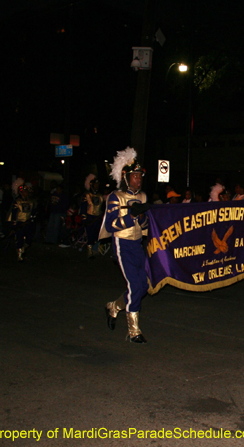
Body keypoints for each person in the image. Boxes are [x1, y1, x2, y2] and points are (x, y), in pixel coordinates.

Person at [103, 147, 150, 344]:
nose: (138, 180)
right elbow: (110, 225)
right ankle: (133, 331)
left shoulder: (143, 197)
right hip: (122, 244)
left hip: (138, 245)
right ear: (126, 178)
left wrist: (142, 217)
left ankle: (114, 306)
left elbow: (146, 226)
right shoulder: (115, 197)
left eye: (140, 176)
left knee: (144, 286)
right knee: (134, 285)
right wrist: (131, 216)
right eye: (135, 176)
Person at [8, 178, 37, 262]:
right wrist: (14, 224)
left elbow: (32, 211)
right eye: (24, 191)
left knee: (29, 239)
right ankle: (20, 255)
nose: (26, 193)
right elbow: (14, 213)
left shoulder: (31, 201)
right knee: (20, 239)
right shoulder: (17, 201)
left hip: (28, 223)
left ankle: (23, 250)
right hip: (19, 223)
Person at [80, 175, 105, 258]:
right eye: (95, 184)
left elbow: (103, 207)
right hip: (89, 217)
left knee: (97, 234)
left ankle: (95, 249)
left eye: (98, 184)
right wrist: (84, 218)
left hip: (98, 218)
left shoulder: (101, 196)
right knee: (90, 234)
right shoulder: (86, 195)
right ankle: (89, 250)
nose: (97, 186)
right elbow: (83, 207)